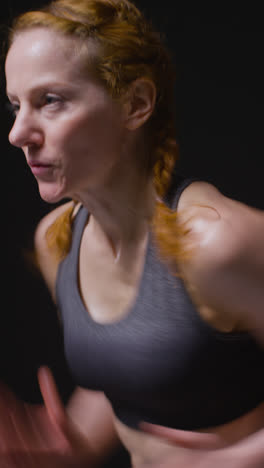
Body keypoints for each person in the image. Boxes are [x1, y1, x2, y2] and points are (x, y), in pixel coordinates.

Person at [2, 0, 264, 466]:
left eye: (50, 101)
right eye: (16, 105)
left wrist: (239, 458)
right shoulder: (57, 243)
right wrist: (66, 446)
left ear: (136, 104)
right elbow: (132, 382)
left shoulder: (216, 243)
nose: (18, 133)